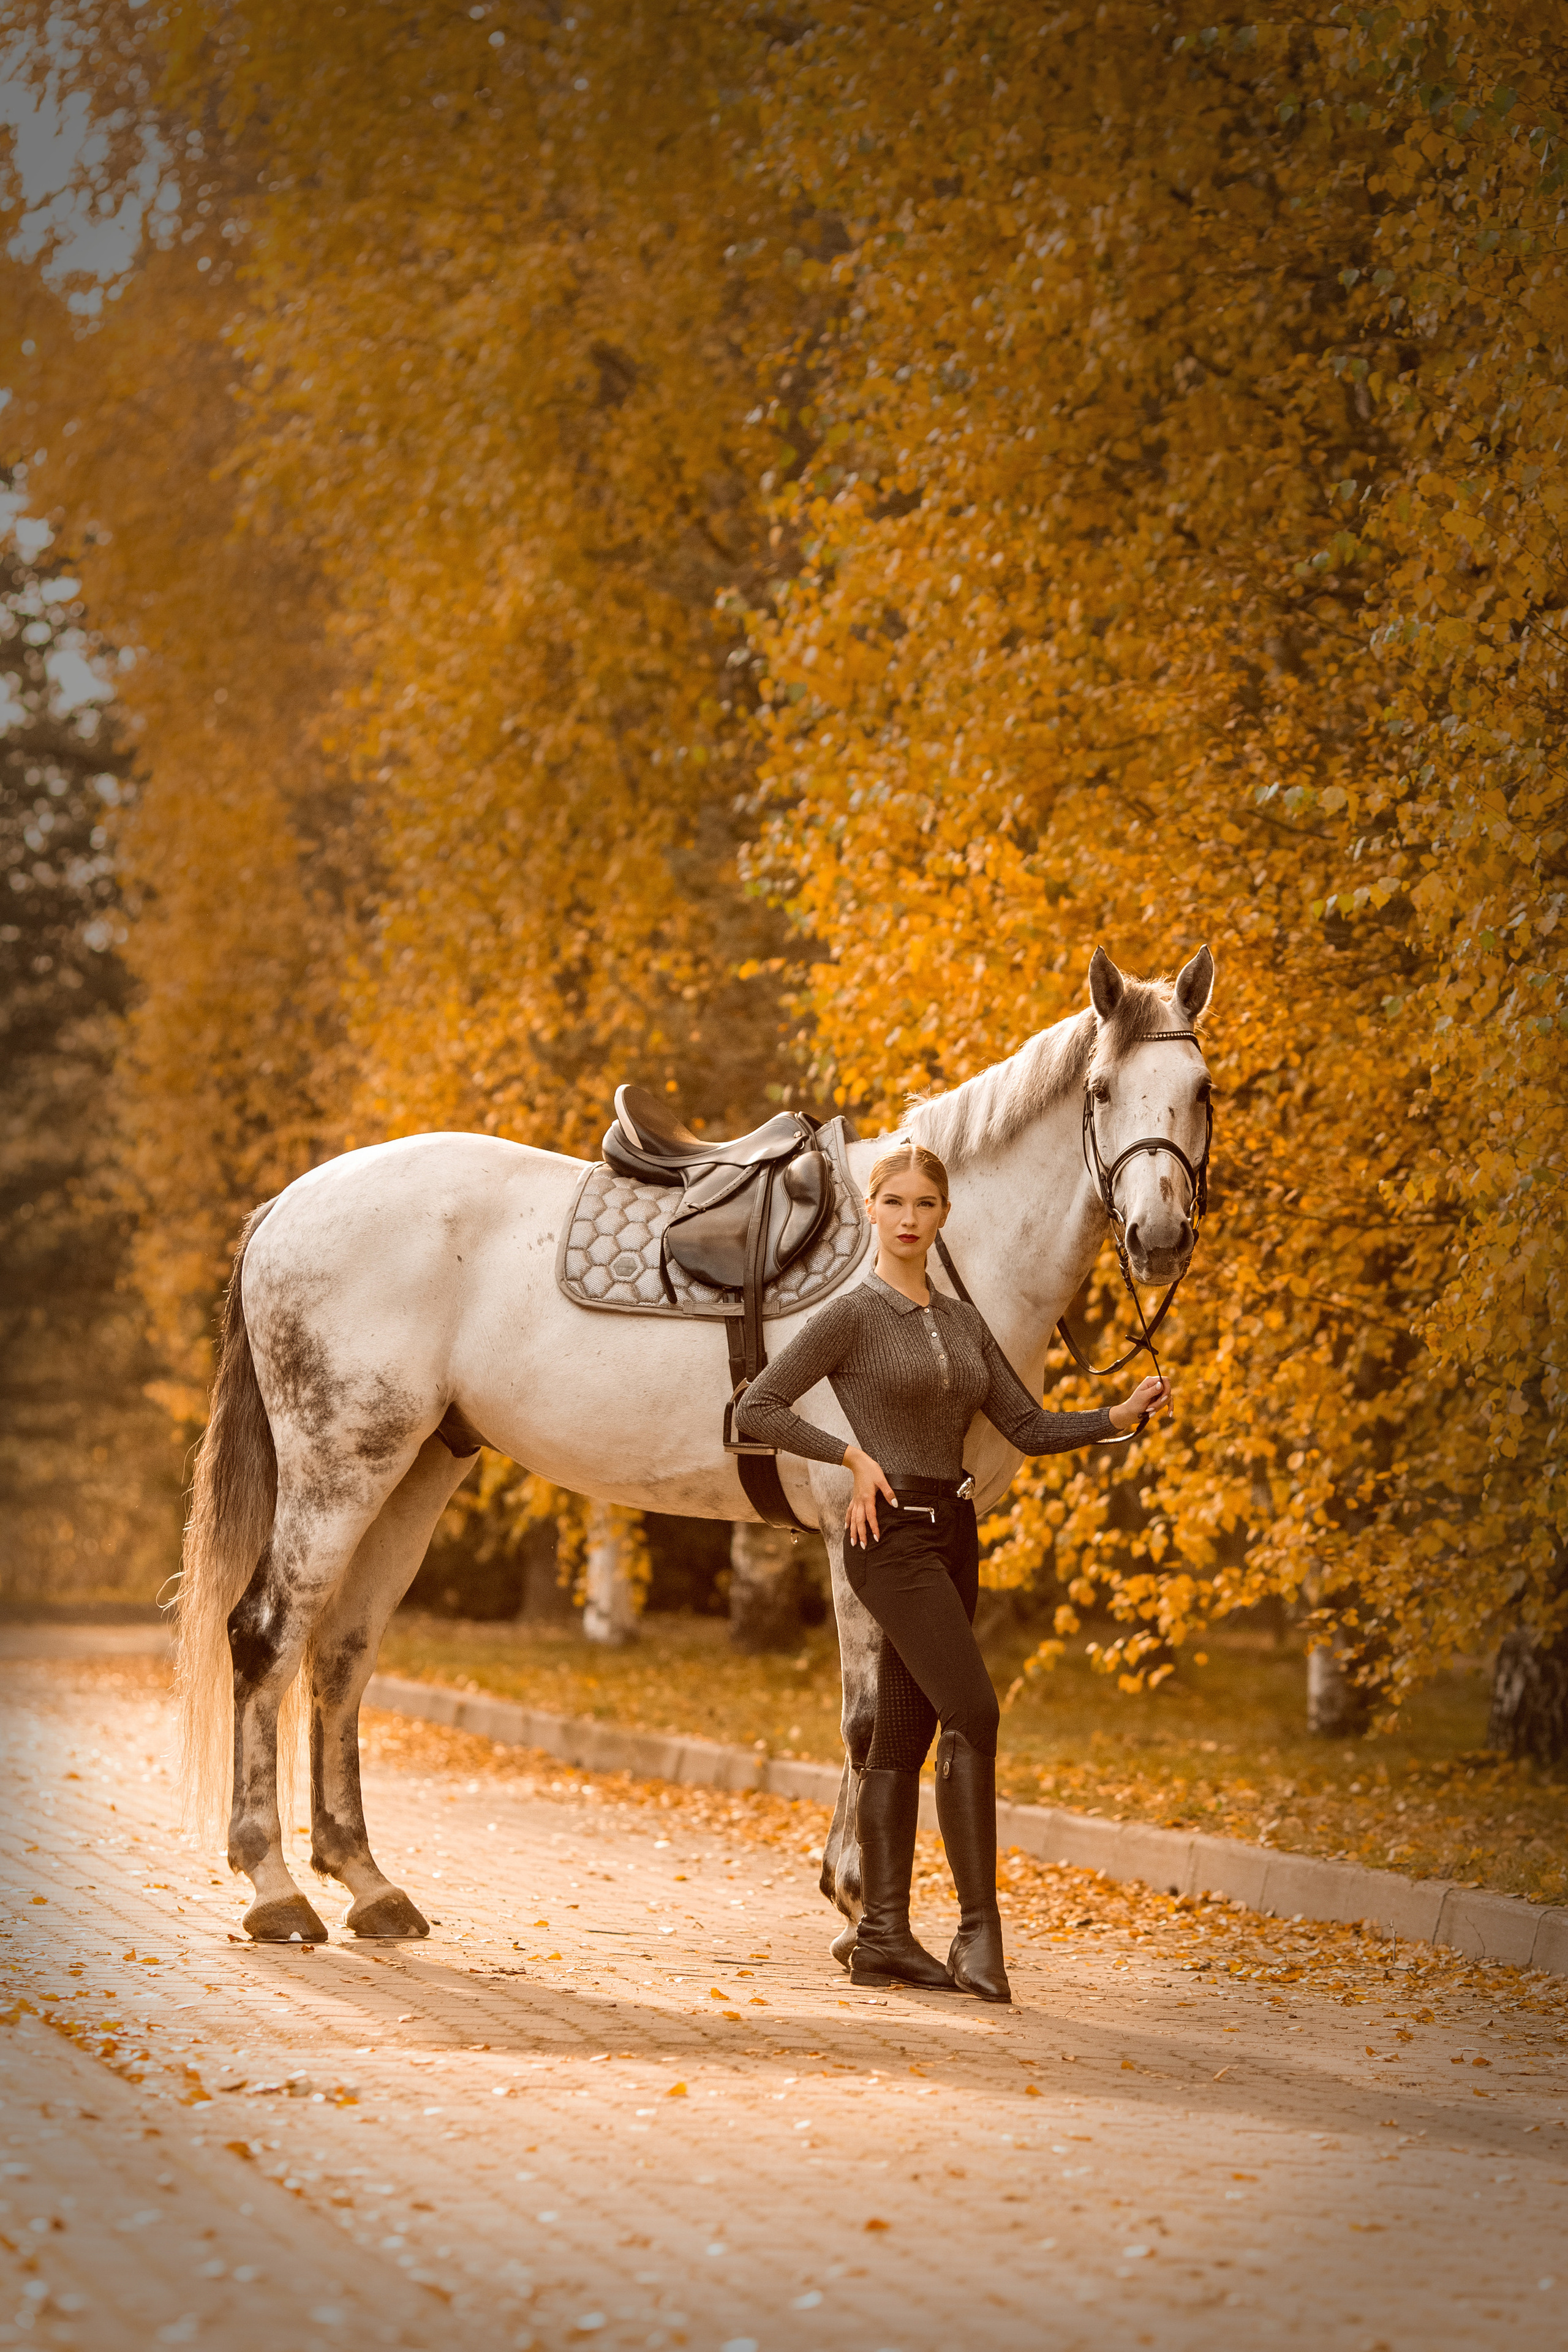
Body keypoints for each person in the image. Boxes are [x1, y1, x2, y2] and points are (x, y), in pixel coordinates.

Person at [735, 1140, 1167, 2003]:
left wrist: (1116, 1415)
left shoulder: (965, 1324)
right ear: (872, 1211)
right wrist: (849, 1457)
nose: (908, 1218)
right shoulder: (851, 1316)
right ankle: (979, 1935)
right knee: (974, 1710)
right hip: (888, 1538)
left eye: (924, 1204)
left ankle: (882, 1938)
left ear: (942, 1216)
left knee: (901, 1737)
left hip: (953, 1533)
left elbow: (1028, 1427)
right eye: (893, 1202)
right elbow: (757, 1405)